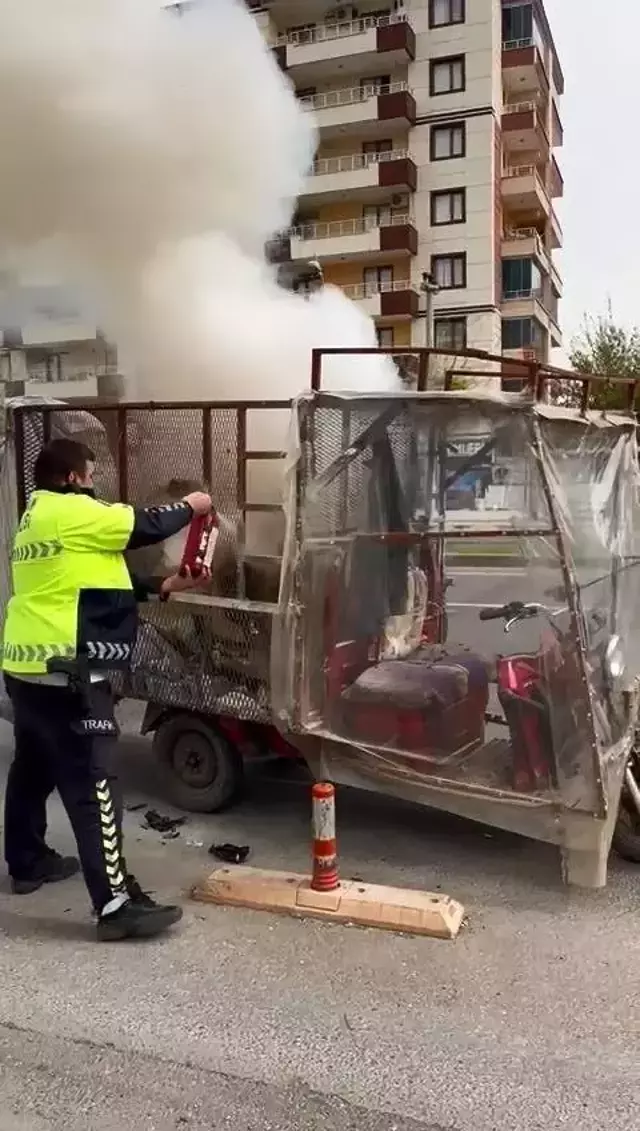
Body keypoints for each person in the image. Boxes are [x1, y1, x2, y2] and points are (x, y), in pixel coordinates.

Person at [1, 438, 212, 941]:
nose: (95, 482)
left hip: (27, 667)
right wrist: (193, 506)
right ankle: (115, 904)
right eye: (91, 473)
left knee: (32, 767)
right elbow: (144, 525)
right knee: (94, 785)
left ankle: (28, 862)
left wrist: (165, 587)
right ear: (74, 477)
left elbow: (91, 578)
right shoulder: (75, 508)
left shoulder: (38, 517)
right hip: (70, 670)